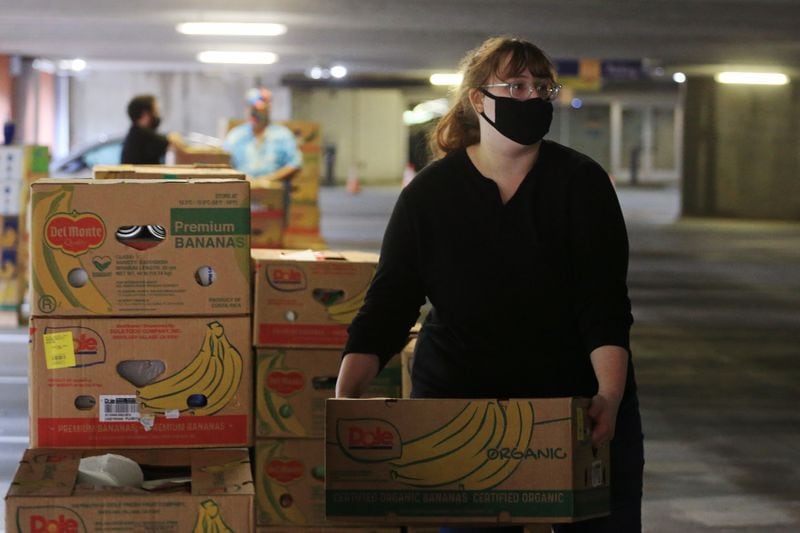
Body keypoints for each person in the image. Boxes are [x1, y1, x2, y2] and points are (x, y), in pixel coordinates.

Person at [335, 36, 644, 533]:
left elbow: (603, 301)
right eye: (516, 85)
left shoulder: (580, 184)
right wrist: (345, 403)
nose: (532, 97)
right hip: (463, 404)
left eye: (542, 87)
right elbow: (389, 306)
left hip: (571, 404)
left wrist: (607, 395)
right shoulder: (430, 196)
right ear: (479, 99)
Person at [223, 88, 302, 223]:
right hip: (242, 193)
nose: (256, 114)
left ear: (268, 109)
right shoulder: (236, 135)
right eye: (253, 109)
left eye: (260, 110)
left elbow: (295, 164)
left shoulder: (282, 135)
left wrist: (268, 179)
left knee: (269, 231)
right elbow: (224, 162)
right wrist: (244, 178)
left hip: (272, 194)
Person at [120, 94, 182, 164]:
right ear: (145, 114)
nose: (158, 115)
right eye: (156, 111)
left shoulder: (134, 133)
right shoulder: (141, 134)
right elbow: (172, 142)